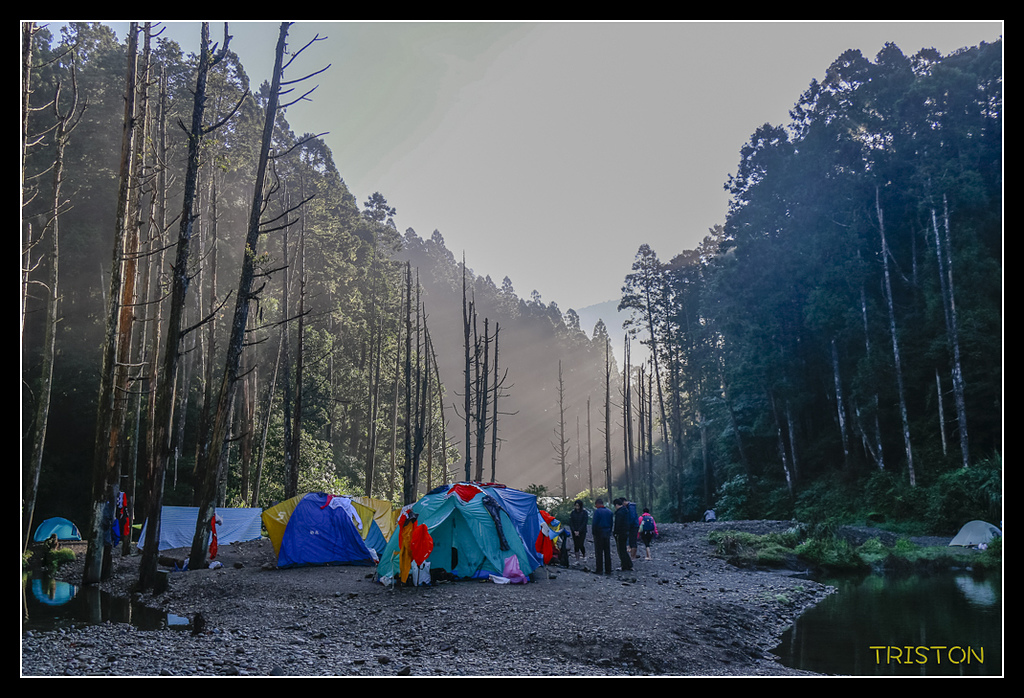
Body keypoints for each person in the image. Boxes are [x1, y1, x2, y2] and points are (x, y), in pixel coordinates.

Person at [591, 498, 613, 575]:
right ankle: (608, 569)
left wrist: (593, 533)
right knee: (607, 552)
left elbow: (595, 523)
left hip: (599, 533)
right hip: (607, 533)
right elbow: (611, 523)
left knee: (599, 552)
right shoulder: (609, 512)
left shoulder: (597, 512)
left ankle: (599, 569)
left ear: (597, 504)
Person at [612, 498, 634, 572]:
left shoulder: (619, 513)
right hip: (626, 532)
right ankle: (628, 564)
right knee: (623, 549)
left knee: (621, 550)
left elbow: (618, 524)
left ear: (616, 505)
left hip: (620, 533)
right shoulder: (626, 511)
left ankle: (624, 565)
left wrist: (615, 532)